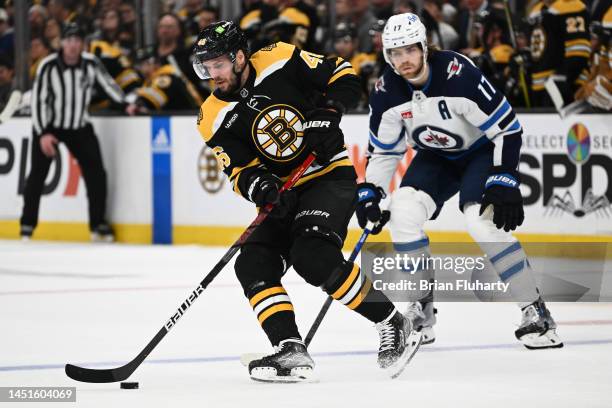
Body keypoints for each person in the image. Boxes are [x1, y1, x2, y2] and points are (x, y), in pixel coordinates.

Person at [193, 21, 422, 383]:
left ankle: (393, 322)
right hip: (283, 196)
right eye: (205, 66)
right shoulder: (211, 117)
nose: (211, 74)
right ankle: (290, 348)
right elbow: (239, 171)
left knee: (312, 257)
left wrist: (329, 112)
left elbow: (342, 73)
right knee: (252, 263)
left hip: (328, 176)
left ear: (239, 57)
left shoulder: (279, 58)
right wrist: (262, 187)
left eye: (217, 64)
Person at [355, 13, 563, 349]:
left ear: (425, 47)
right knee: (403, 211)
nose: (403, 60)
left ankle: (536, 312)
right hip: (436, 157)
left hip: (481, 152)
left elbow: (508, 129)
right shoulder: (386, 91)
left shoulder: (459, 75)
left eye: (409, 50)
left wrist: (505, 175)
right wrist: (371, 192)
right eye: (395, 53)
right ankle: (421, 313)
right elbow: (383, 152)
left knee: (481, 223)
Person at [21, 23, 138, 242]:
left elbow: (108, 85)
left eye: (77, 41)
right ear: (62, 43)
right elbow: (39, 101)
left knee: (96, 174)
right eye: (69, 40)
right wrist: (43, 133)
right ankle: (27, 224)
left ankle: (97, 224)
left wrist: (125, 104)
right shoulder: (48, 66)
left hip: (79, 125)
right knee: (37, 175)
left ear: (83, 44)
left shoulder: (91, 63)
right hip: (50, 126)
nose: (73, 45)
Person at [528, 0, 591, 106]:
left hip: (566, 88)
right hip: (538, 88)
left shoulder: (571, 6)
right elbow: (539, 51)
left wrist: (560, 80)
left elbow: (579, 54)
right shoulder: (536, 11)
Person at [132, 46, 202, 111]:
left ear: (152, 63)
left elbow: (152, 99)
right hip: (183, 118)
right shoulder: (158, 77)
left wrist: (137, 105)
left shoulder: (166, 77)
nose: (139, 69)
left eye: (142, 64)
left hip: (186, 118)